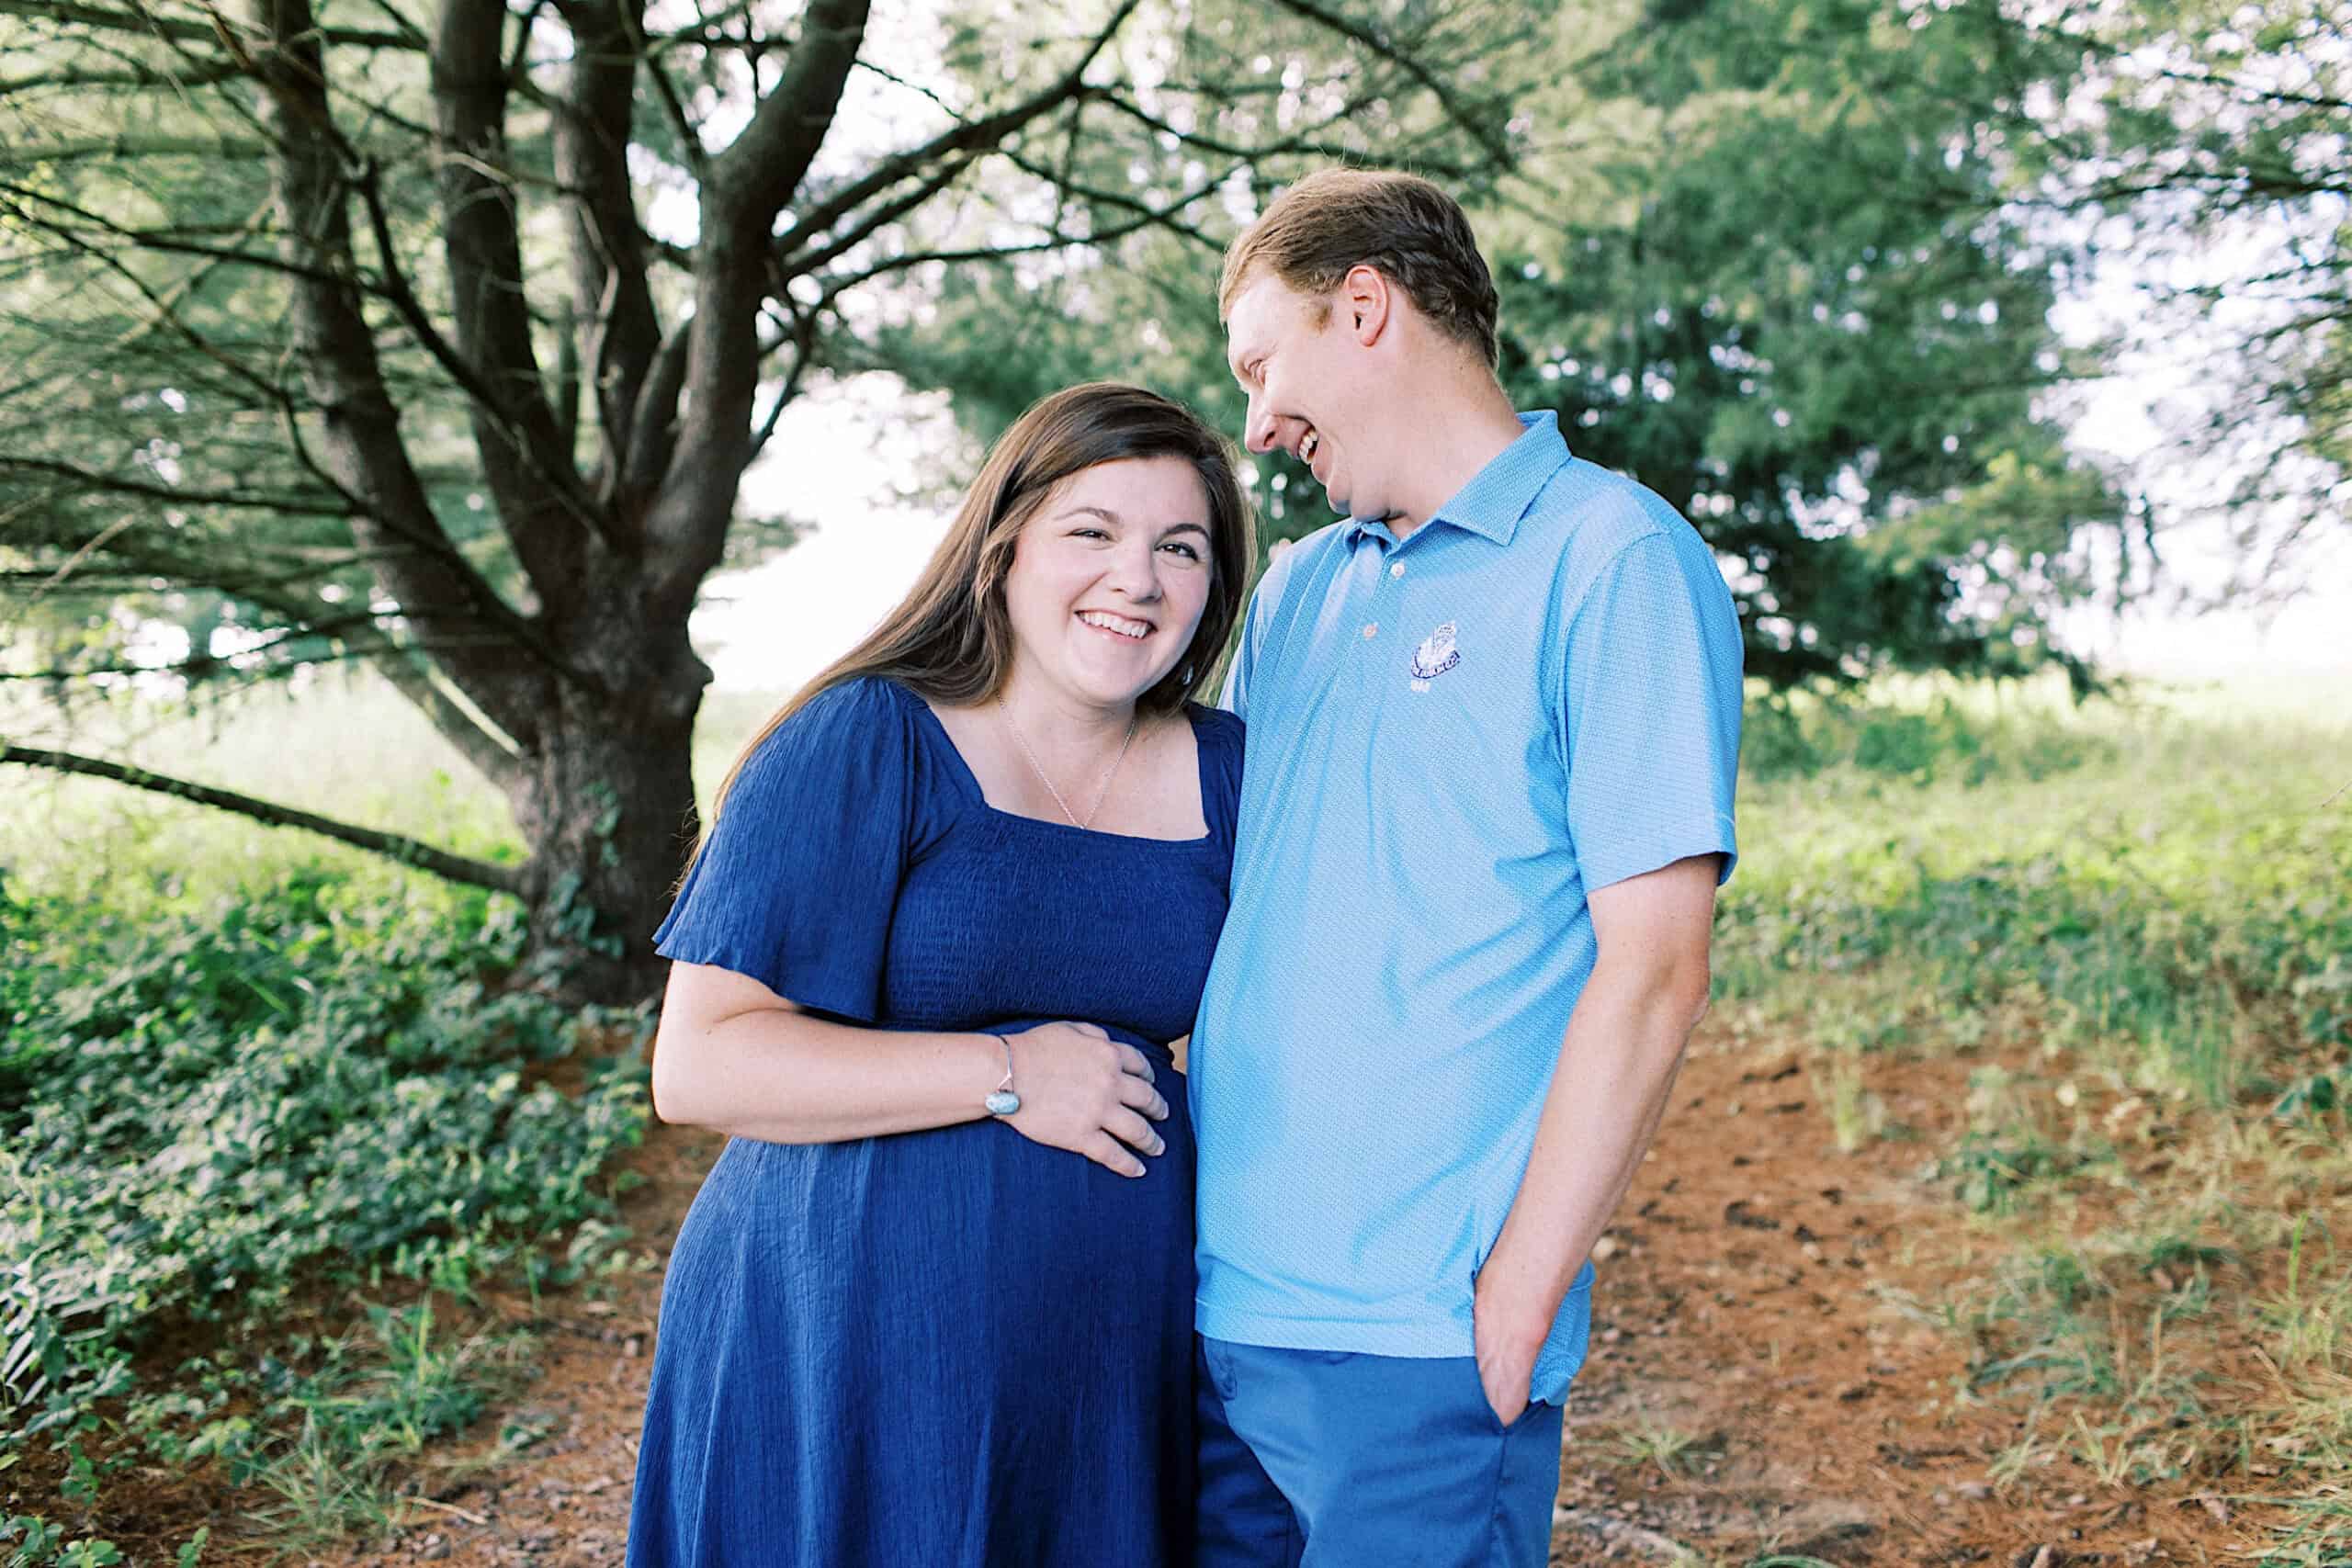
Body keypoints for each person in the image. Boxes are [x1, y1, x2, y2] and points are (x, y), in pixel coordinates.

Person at [1189, 168, 1746, 1568]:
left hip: (1422, 1342)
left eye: (1264, 367)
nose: (1255, 423)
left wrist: (1518, 1294)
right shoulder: (1300, 591)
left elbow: (1657, 964)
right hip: (1215, 1304)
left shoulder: (1612, 561)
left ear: (1363, 307)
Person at [626, 382, 1254, 1567]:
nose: (1140, 578)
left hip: (1106, 1368)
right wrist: (1009, 1073)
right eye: (1093, 532)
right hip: (844, 1342)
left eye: (1182, 547)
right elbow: (700, 1060)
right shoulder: (869, 740)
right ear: (1002, 544)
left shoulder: (1233, 774)